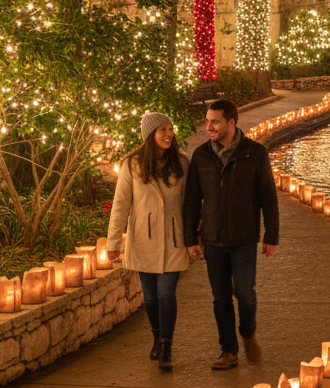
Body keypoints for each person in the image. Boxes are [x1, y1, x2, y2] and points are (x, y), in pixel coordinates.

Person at [184, 100, 280, 371]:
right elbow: (192, 199)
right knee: (221, 298)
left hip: (244, 238)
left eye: (214, 121)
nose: (209, 126)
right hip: (212, 238)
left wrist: (271, 235)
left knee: (245, 293)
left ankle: (248, 333)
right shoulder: (201, 155)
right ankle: (229, 351)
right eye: (207, 121)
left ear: (231, 123)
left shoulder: (255, 153)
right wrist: (191, 238)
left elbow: (268, 197)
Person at [107, 112, 190, 371]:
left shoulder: (182, 162)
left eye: (170, 128)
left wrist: (194, 235)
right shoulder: (132, 164)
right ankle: (156, 337)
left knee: (166, 295)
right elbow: (120, 205)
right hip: (144, 238)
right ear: (149, 135)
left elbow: (191, 202)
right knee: (151, 299)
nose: (168, 134)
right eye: (161, 129)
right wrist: (113, 243)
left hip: (174, 239)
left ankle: (166, 346)